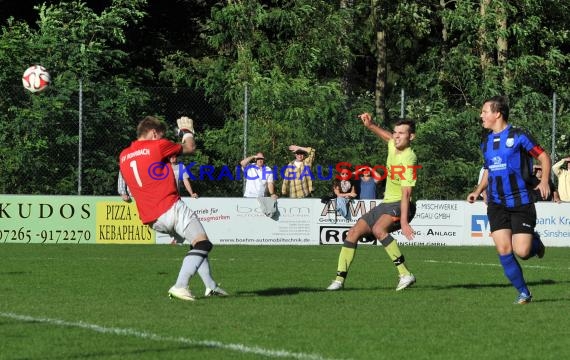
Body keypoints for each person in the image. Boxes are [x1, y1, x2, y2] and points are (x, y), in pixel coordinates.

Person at [119, 115, 227, 301]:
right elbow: (190, 148)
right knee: (203, 244)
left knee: (196, 244)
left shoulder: (124, 155)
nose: (162, 138)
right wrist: (187, 131)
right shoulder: (157, 145)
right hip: (170, 206)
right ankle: (180, 285)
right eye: (161, 135)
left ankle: (210, 286)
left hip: (151, 218)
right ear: (154, 133)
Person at [467, 95, 549, 305]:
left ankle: (535, 244)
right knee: (503, 249)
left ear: (497, 113)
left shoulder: (519, 136)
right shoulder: (485, 142)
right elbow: (488, 169)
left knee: (522, 251)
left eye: (485, 112)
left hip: (521, 201)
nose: (481, 115)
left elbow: (543, 157)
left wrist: (545, 181)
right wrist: (478, 191)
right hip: (496, 203)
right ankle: (524, 293)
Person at [327, 113, 418, 292]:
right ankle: (338, 281)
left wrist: (405, 221)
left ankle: (405, 274)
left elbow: (407, 191)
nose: (396, 136)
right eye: (395, 132)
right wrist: (370, 125)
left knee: (378, 229)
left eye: (402, 133)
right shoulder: (393, 144)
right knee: (352, 233)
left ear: (411, 137)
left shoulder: (409, 158)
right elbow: (386, 136)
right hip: (386, 203)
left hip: (401, 204)